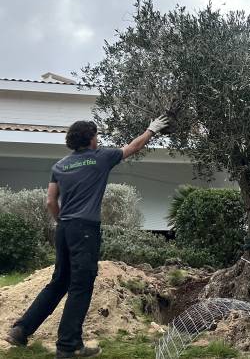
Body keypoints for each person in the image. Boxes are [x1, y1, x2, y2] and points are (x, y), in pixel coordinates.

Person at [5, 116, 170, 358]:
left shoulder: (60, 165)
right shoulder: (100, 158)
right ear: (91, 138)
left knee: (59, 281)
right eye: (96, 135)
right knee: (81, 285)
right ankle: (67, 346)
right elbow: (134, 147)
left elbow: (51, 201)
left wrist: (61, 221)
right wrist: (151, 129)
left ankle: (21, 330)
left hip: (63, 230)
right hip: (84, 230)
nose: (98, 139)